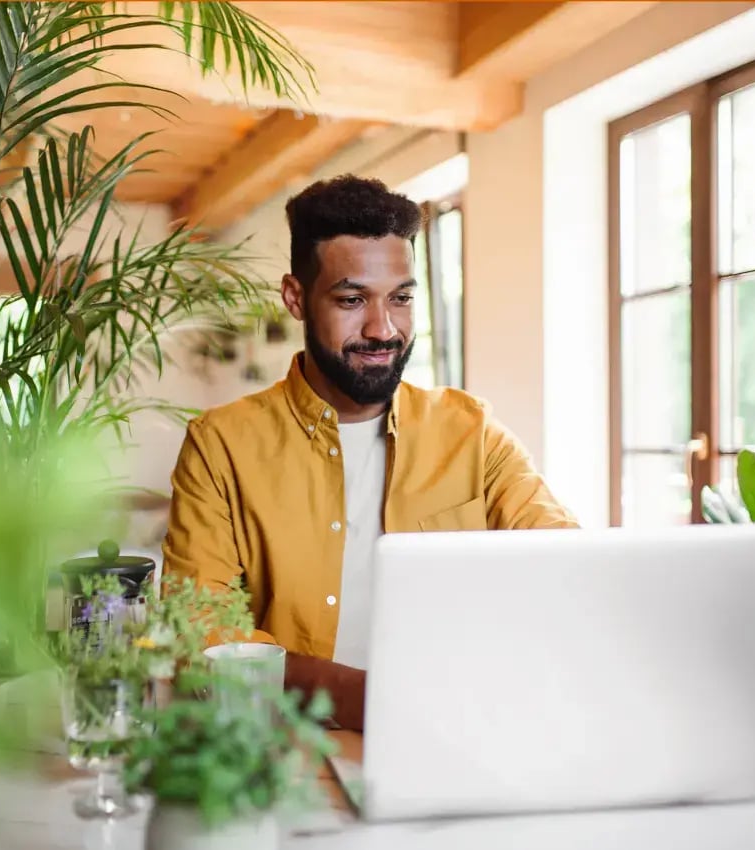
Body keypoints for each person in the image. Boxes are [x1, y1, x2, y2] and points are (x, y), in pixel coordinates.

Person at [162, 175, 577, 730]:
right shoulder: (221, 446)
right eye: (353, 299)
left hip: (457, 732)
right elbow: (200, 631)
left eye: (401, 298)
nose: (383, 329)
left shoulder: (472, 433)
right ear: (295, 298)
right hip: (289, 752)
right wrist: (368, 700)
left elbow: (566, 567)